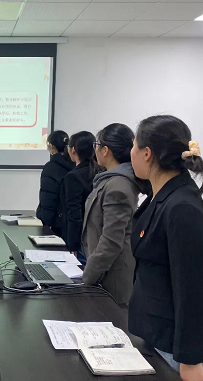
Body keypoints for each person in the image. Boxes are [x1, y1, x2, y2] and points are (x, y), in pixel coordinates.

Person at [129, 115, 203, 381]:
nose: (130, 153)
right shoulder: (162, 194)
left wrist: (191, 360)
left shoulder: (182, 207)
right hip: (159, 334)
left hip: (183, 349)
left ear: (147, 153)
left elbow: (193, 289)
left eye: (134, 145)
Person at [81, 123, 146, 306]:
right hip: (103, 272)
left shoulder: (118, 186)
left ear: (105, 150)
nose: (95, 150)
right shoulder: (111, 180)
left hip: (112, 279)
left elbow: (111, 241)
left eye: (97, 145)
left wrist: (88, 276)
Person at [59, 131, 99, 264]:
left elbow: (74, 214)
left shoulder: (73, 177)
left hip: (81, 241)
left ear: (73, 150)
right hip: (96, 236)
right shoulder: (100, 171)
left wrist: (72, 244)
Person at [36, 130, 74, 234]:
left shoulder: (51, 167)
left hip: (55, 225)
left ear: (51, 146)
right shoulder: (75, 164)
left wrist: (44, 221)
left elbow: (47, 198)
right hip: (72, 222)